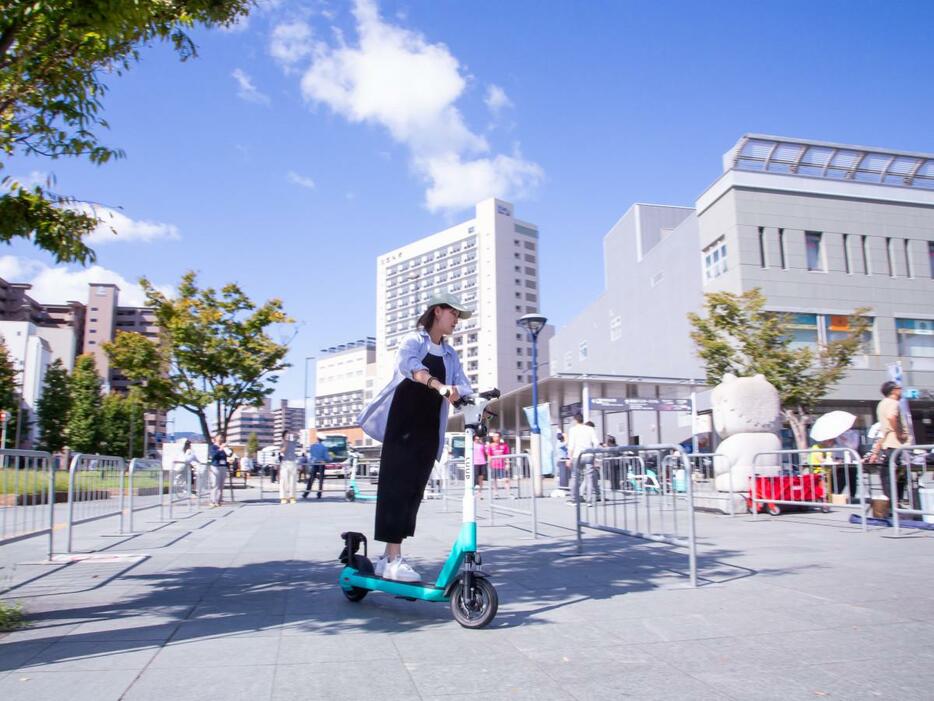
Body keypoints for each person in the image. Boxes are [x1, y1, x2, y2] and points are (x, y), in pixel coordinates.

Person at [358, 292, 473, 582]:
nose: (456, 320)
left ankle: (388, 557)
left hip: (428, 429)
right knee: (395, 488)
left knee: (413, 493)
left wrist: (473, 397)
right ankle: (394, 558)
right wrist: (438, 384)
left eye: (458, 316)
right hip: (403, 425)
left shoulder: (450, 355)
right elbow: (409, 366)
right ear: (437, 312)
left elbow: (463, 384)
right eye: (453, 314)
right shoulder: (414, 341)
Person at [876, 381, 909, 507]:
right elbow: (891, 417)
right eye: (899, 388)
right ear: (893, 390)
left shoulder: (881, 404)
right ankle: (895, 502)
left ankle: (890, 501)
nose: (901, 390)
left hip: (887, 443)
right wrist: (899, 433)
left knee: (887, 474)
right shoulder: (893, 403)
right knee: (899, 473)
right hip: (895, 442)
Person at [567, 414, 600, 504]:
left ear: (575, 420)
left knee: (575, 477)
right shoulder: (590, 429)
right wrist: (594, 454)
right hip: (589, 455)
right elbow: (596, 442)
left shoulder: (572, 430)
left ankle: (574, 499)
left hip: (577, 456)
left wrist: (569, 458)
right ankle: (589, 500)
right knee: (589, 478)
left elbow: (571, 446)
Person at [486, 431, 513, 498]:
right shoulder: (490, 446)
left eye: (497, 436)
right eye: (494, 436)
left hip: (502, 465)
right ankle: (496, 493)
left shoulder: (504, 445)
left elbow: (506, 455)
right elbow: (489, 455)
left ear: (500, 437)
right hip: (494, 465)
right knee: (494, 480)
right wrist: (489, 464)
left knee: (506, 479)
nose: (496, 438)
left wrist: (507, 464)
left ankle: (509, 493)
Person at [208, 434, 229, 507]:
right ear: (216, 438)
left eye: (222, 438)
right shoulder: (213, 447)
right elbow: (213, 455)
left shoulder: (224, 448)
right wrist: (220, 449)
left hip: (223, 466)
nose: (221, 439)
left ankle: (218, 501)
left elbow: (229, 455)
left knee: (221, 485)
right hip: (215, 466)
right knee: (215, 484)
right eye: (219, 438)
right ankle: (212, 501)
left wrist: (226, 449)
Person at [279, 430, 298, 504]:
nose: (288, 437)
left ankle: (292, 497)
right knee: (284, 481)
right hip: (285, 463)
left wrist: (292, 432)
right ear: (283, 437)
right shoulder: (282, 443)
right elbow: (282, 451)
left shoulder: (293, 442)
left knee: (292, 480)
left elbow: (297, 436)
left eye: (288, 435)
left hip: (293, 462)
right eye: (286, 435)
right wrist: (285, 444)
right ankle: (284, 497)